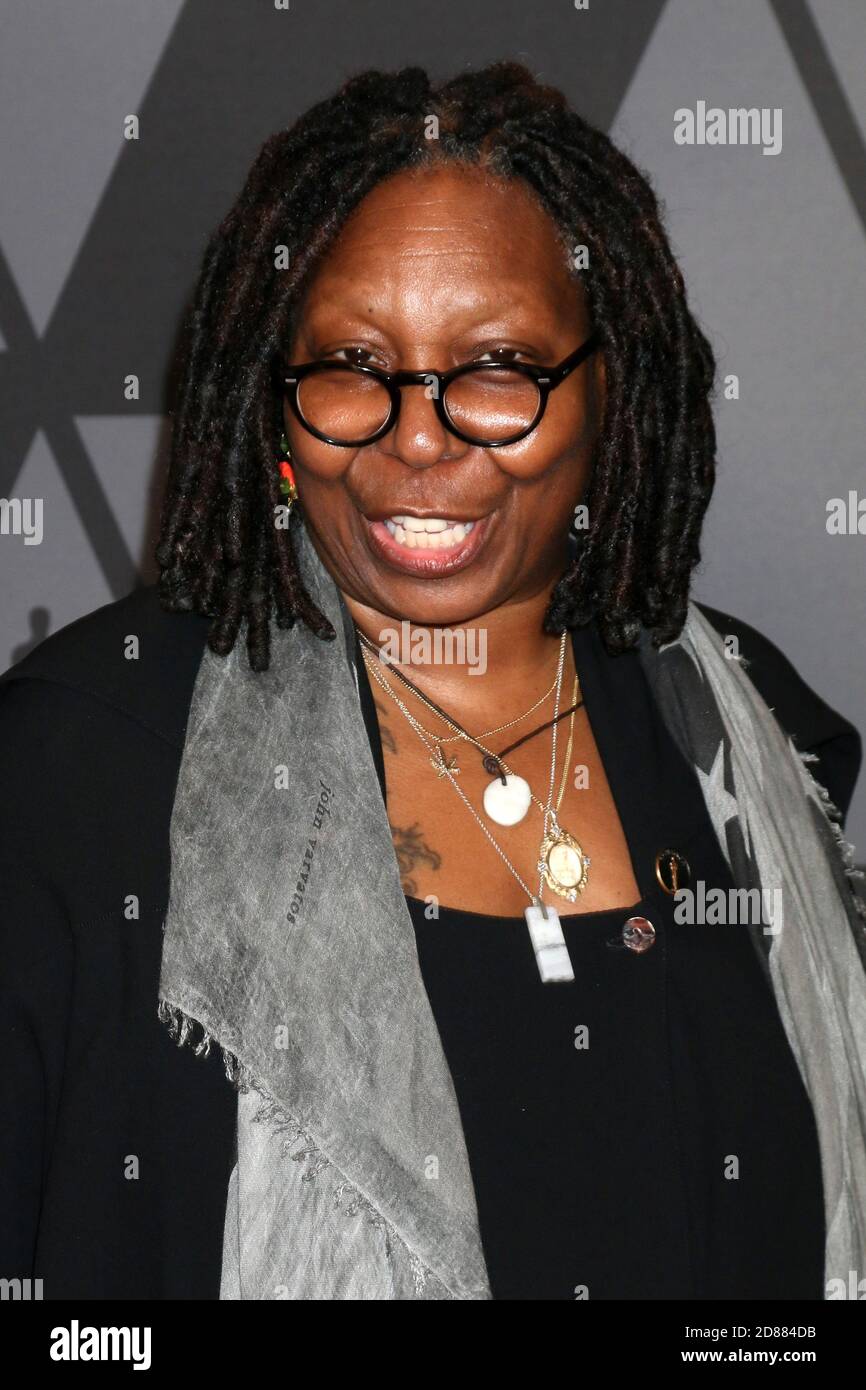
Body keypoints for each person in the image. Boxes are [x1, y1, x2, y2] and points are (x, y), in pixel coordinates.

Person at [2, 61, 865, 1302]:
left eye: (498, 368)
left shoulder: (743, 738)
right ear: (269, 406)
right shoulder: (76, 772)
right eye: (352, 365)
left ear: (609, 393)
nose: (417, 436)